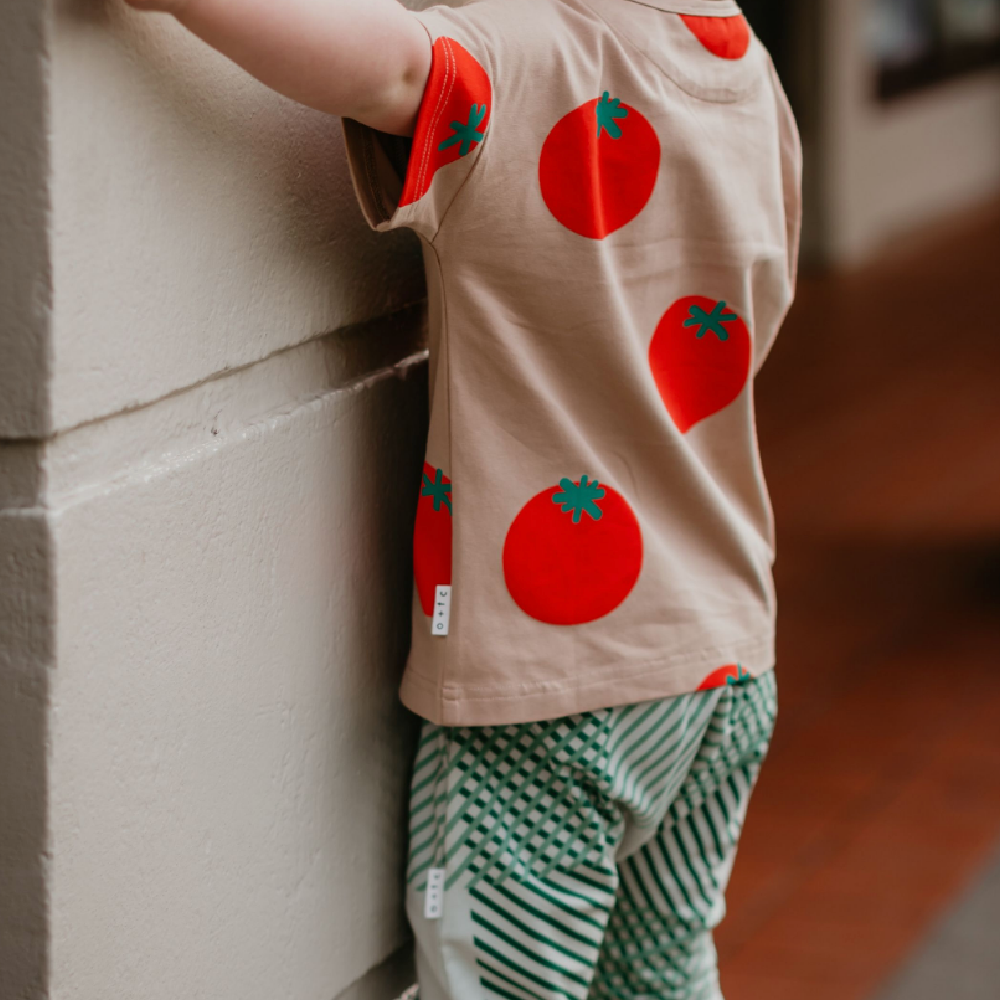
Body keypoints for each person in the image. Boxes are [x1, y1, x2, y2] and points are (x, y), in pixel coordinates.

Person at [124, 0, 801, 996]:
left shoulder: (519, 59)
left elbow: (394, 69)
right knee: (660, 975)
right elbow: (753, 322)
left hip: (547, 697)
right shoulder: (748, 76)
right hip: (722, 663)